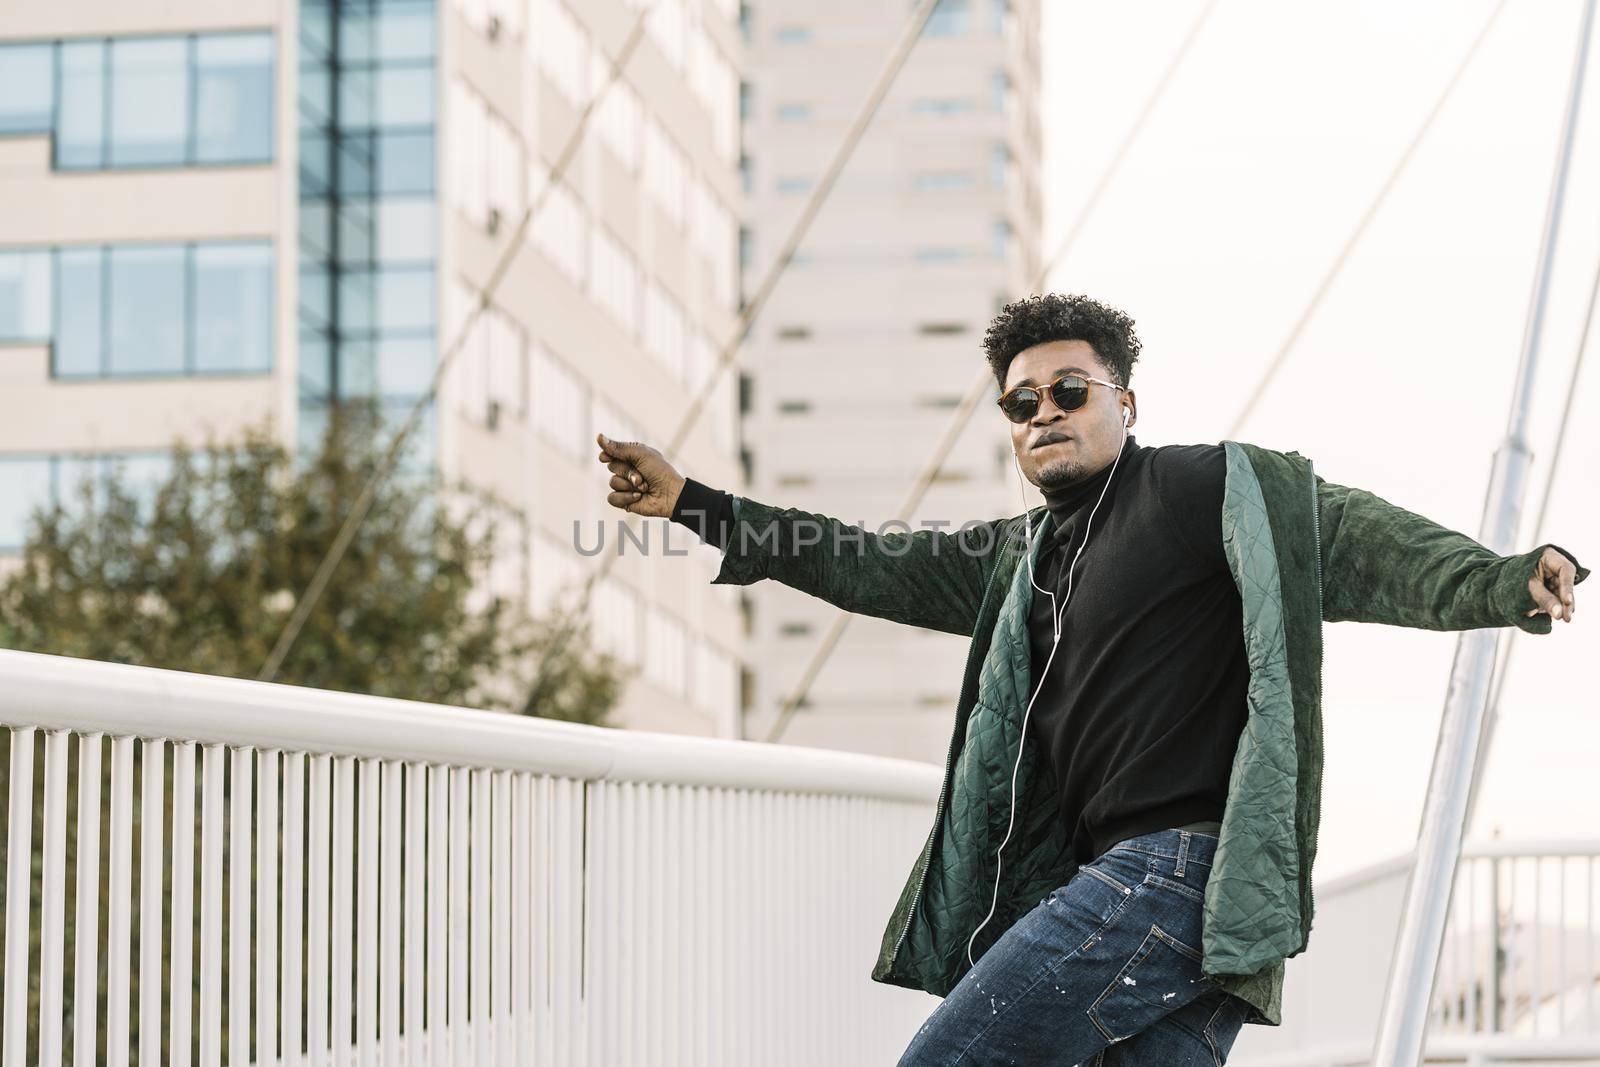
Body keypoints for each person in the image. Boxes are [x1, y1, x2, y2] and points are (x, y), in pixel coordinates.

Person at [593, 293, 1588, 1065]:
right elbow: (867, 559)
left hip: (1176, 873)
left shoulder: (1199, 489)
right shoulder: (1021, 555)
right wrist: (693, 501)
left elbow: (1347, 537)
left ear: (1124, 400)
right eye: (1021, 402)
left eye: (1069, 389)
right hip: (1153, 905)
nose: (1044, 412)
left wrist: (1499, 579)